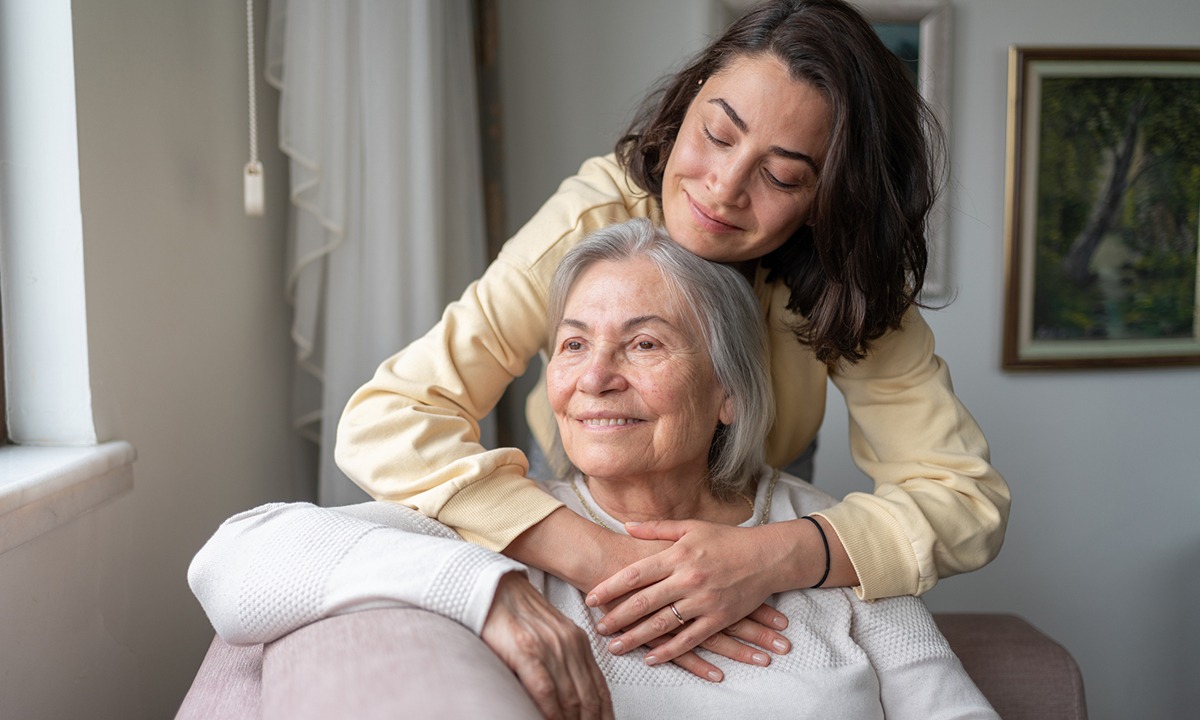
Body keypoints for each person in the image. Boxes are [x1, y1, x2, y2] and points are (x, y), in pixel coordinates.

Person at [334, 0, 1010, 671]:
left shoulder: (849, 282)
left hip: (761, 511)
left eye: (781, 175)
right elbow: (388, 420)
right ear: (687, 103)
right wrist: (593, 553)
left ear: (830, 198)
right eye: (717, 134)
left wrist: (767, 555)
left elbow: (964, 499)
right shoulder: (590, 220)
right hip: (574, 498)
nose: (722, 189)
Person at [190, 220, 999, 719]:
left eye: (644, 344)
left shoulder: (830, 540)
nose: (594, 377)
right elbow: (232, 560)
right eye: (573, 344)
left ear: (728, 391)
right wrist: (489, 591)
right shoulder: (505, 525)